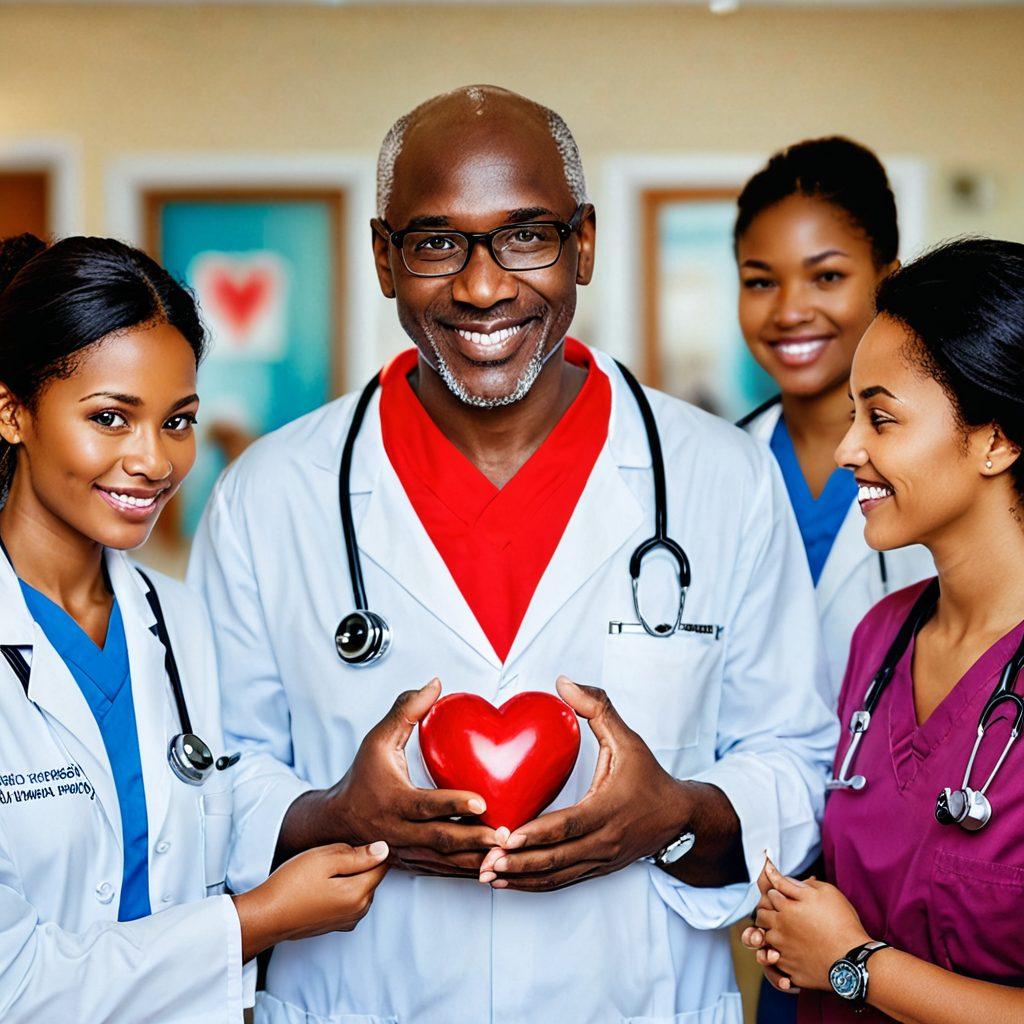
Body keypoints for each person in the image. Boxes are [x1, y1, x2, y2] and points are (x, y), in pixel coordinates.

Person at [189, 85, 836, 1024]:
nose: (483, 287)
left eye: (525, 235)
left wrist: (675, 818)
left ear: (584, 242)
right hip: (362, 999)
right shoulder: (272, 493)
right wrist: (336, 817)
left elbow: (794, 756)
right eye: (435, 242)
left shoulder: (720, 477)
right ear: (383, 256)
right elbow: (211, 775)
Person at [0, 234, 389, 1022]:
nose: (153, 461)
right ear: (12, 412)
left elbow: (210, 797)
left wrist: (350, 805)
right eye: (111, 418)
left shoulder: (175, 618)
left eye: (178, 422)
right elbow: (12, 983)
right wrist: (256, 923)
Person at [742, 238, 1024, 1022]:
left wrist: (856, 965)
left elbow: (851, 956)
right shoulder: (883, 638)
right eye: (850, 414)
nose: (846, 449)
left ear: (996, 439)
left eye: (882, 418)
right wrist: (796, 927)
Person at [735, 138, 933, 708]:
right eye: (761, 281)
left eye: (826, 278)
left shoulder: (953, 460)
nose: (790, 310)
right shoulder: (715, 463)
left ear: (888, 281)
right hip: (745, 794)